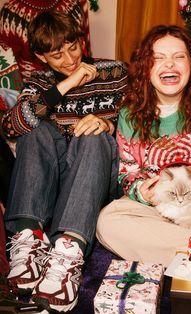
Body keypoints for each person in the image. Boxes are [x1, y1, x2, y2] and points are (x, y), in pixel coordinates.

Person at [1, 10, 127, 313]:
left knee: (94, 137)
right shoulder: (39, 81)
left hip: (98, 171)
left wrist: (109, 127)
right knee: (34, 130)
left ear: (80, 39)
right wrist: (66, 84)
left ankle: (68, 254)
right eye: (57, 56)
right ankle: (29, 240)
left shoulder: (115, 71)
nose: (70, 59)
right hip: (53, 178)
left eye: (73, 48)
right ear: (42, 57)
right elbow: (9, 127)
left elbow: (140, 123)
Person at [96, 25, 191, 273]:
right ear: (146, 69)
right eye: (158, 58)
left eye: (178, 57)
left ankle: (187, 245)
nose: (169, 65)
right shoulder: (130, 115)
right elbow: (127, 173)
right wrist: (143, 191)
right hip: (163, 207)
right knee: (108, 222)